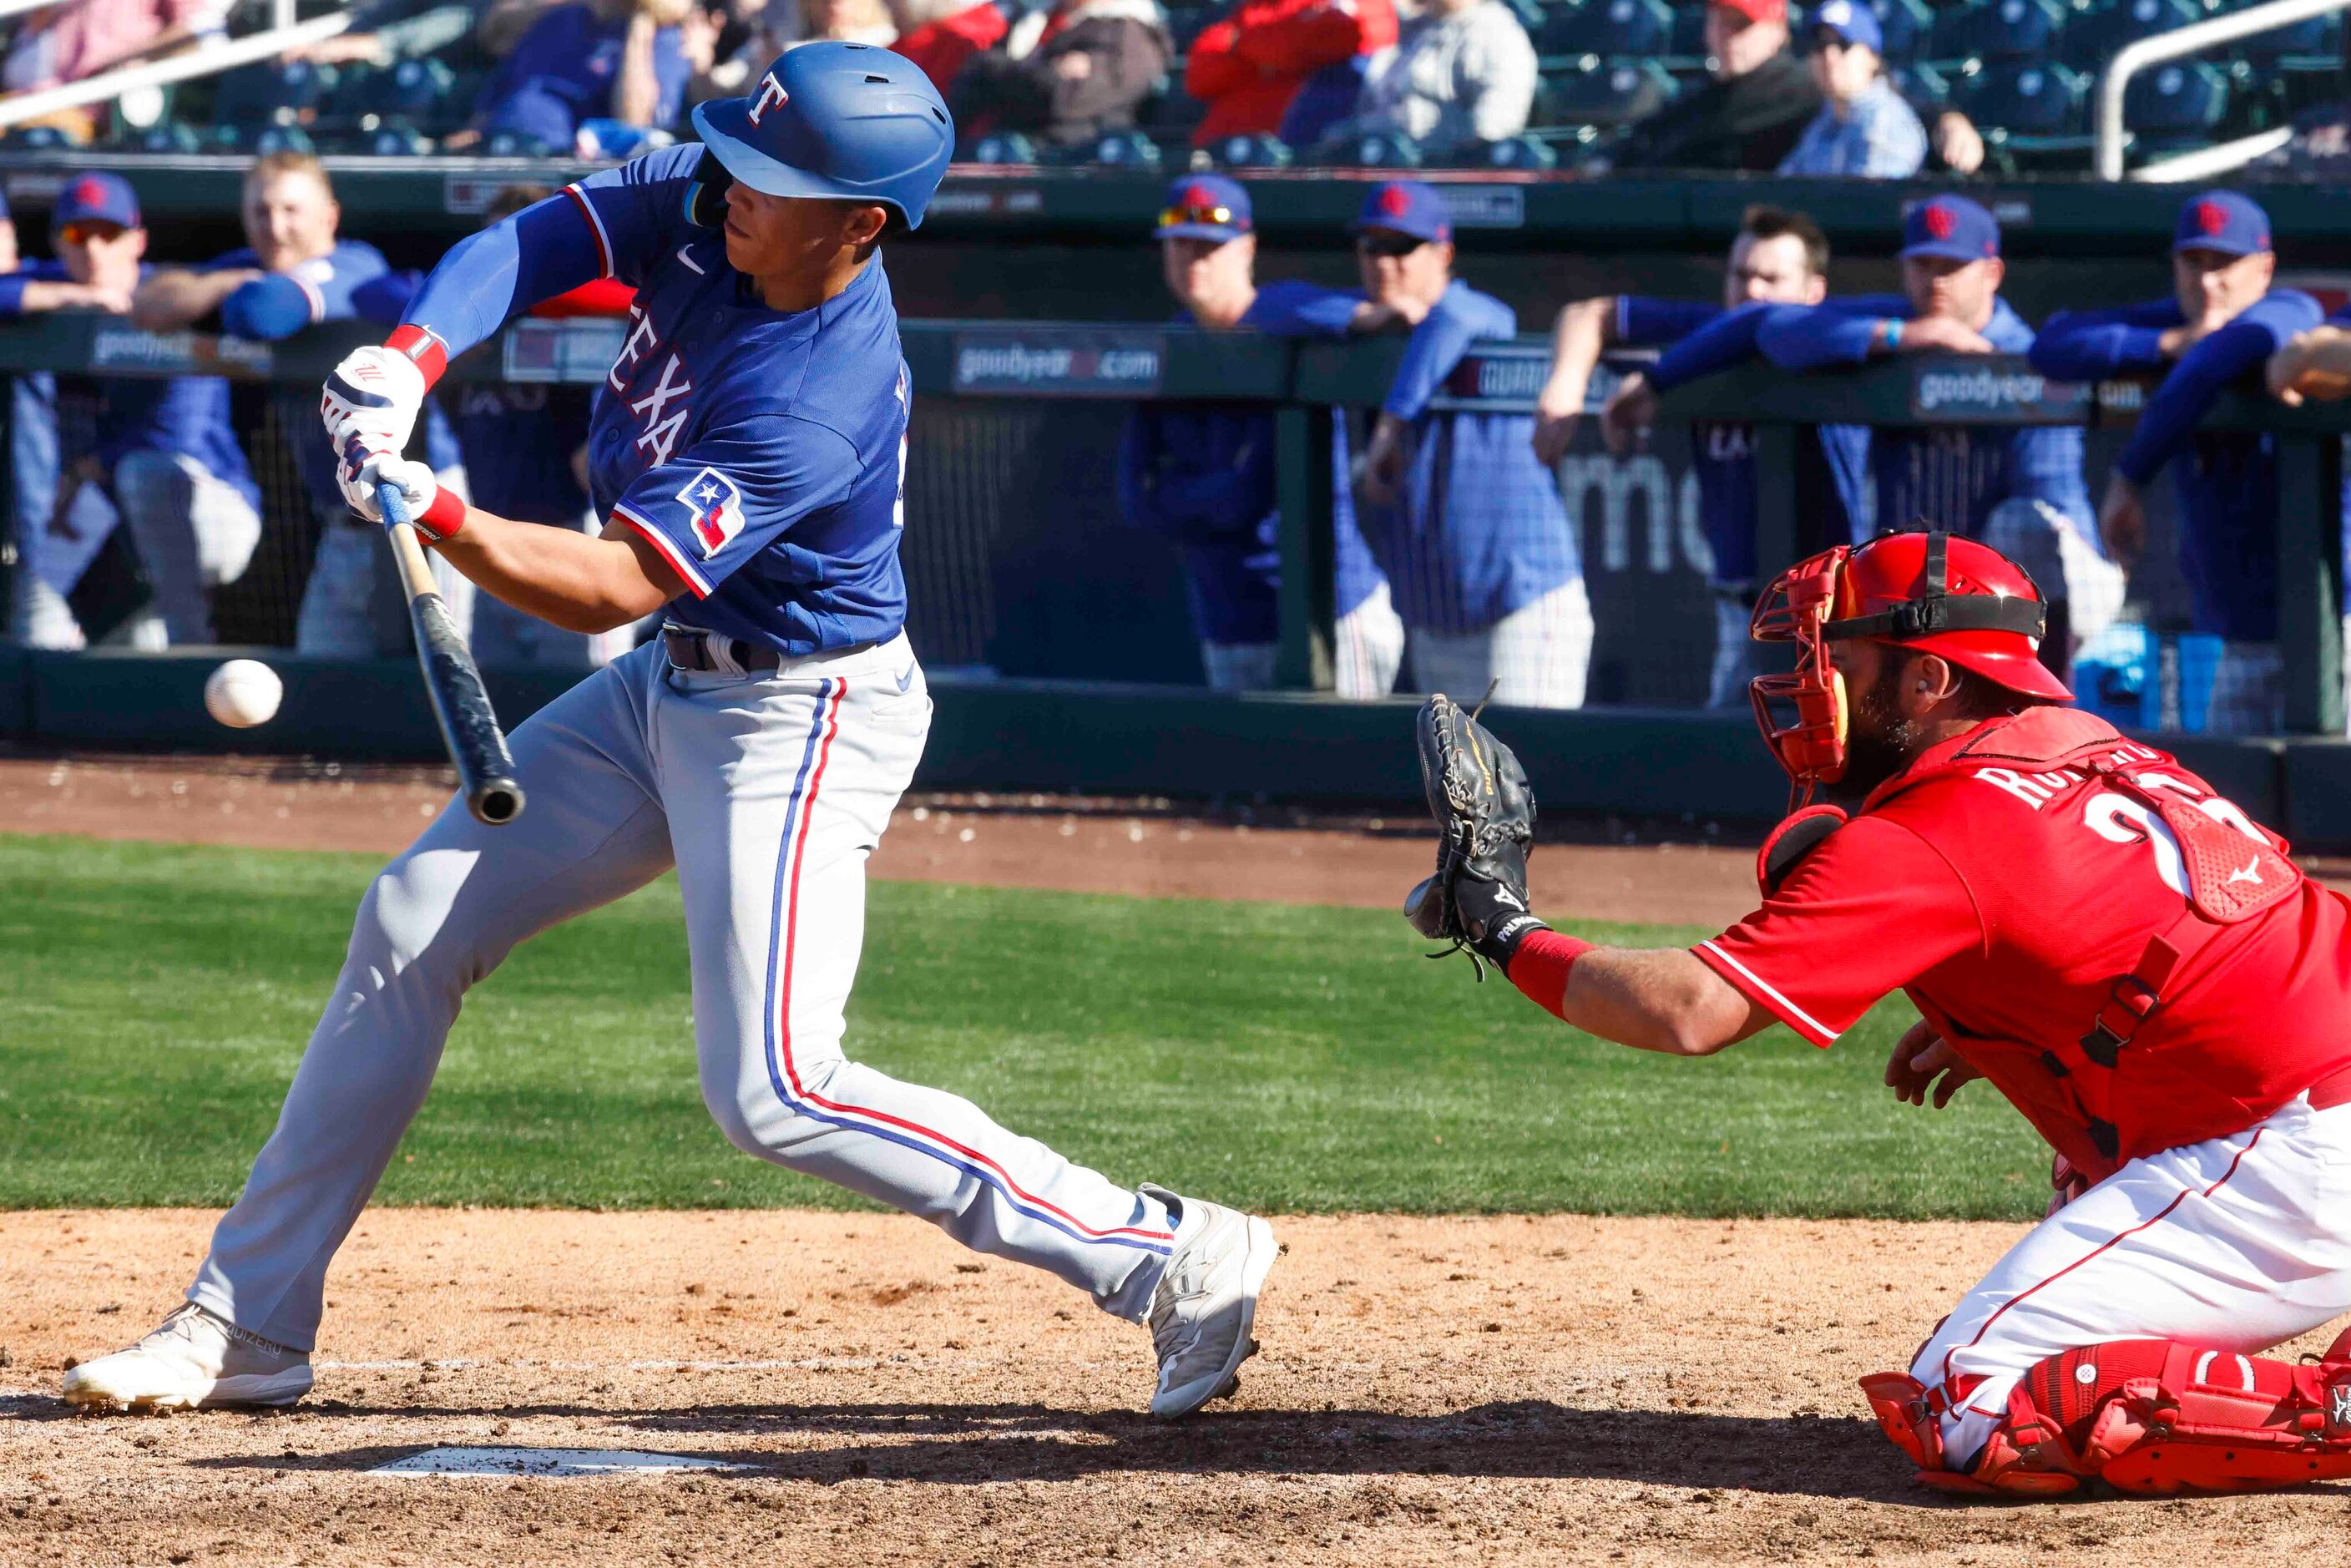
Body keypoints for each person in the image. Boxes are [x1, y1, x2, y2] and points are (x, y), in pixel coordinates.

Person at [61, 43, 1276, 1424]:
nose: (730, 184)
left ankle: (1167, 1251)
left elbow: (614, 580)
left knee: (775, 1087)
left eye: (774, 176)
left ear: (860, 222)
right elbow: (536, 239)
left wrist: (439, 511)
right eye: (737, 158)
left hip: (801, 716)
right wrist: (406, 361)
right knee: (409, 922)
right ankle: (249, 1321)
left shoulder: (814, 391)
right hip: (668, 690)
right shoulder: (720, 201)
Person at [1411, 527, 2351, 1498]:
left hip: (2296, 1154)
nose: (1810, 691)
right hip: (2312, 1098)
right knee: (2080, 1146)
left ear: (1928, 683)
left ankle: (2336, 1410)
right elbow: (2210, 928)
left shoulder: (1933, 827)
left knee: (1971, 1404)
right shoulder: (2112, 757)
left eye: (1840, 662)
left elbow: (1689, 1011)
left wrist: (1502, 924)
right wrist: (2013, 1017)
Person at [1656, 195, 2119, 667]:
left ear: (1991, 273)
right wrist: (1901, 336)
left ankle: (2046, 704)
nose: (1935, 279)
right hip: (1940, 582)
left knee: (2021, 526)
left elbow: (2045, 509)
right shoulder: (1903, 322)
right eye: (1922, 264)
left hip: (2061, 587)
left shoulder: (2025, 356)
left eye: (1952, 265)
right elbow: (1769, 324)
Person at [1534, 205, 1867, 708]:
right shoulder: (1709, 334)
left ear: (1813, 292)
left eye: (1772, 278)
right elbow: (1586, 314)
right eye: (1741, 275)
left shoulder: (1828, 338)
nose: (1752, 290)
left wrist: (1655, 378)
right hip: (1741, 612)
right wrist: (1565, 388)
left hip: (1830, 612)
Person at [2038, 192, 2323, 736]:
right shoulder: (2179, 324)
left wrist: (2128, 478)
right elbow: (2053, 345)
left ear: (2263, 269)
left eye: (2225, 263)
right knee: (2237, 808)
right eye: (2195, 261)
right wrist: (2168, 341)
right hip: (2240, 635)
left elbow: (2220, 356)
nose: (2208, 280)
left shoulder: (2292, 312)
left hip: (2331, 628)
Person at [1117, 175, 1405, 696]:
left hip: (1330, 616)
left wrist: (1192, 498)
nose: (1193, 260)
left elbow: (1382, 318)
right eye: (1181, 244)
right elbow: (1139, 500)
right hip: (1226, 617)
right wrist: (1218, 495)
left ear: (1246, 249)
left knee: (1342, 774)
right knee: (1245, 775)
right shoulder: (1171, 345)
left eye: (1209, 247)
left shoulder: (1290, 314)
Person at [134, 153, 394, 654]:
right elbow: (150, 305)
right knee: (323, 682)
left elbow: (264, 312)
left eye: (291, 211)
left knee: (443, 688)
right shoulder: (254, 269)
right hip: (344, 525)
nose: (274, 228)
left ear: (329, 217)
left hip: (423, 511)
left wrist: (223, 290)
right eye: (260, 212)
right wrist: (230, 279)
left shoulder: (356, 266)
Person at [0, 175, 258, 652]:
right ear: (59, 242)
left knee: (146, 473)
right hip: (93, 517)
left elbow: (170, 437)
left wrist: (81, 473)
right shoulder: (55, 287)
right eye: (78, 236)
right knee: (44, 637)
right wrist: (58, 299)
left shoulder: (171, 296)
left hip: (209, 509)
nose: (94, 250)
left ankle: (191, 646)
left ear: (137, 241)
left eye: (109, 234)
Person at [1352, 181, 1585, 707]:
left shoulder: (1478, 318)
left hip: (1522, 598)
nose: (1385, 263)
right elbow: (1289, 308)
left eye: (1402, 247)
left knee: (1522, 775)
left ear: (1443, 253)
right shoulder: (1367, 330)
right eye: (1372, 247)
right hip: (1436, 610)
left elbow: (1462, 317)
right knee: (1455, 785)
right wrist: (1356, 317)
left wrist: (1388, 429)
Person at [1599, 0, 1818, 173]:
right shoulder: (1700, 99)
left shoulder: (1803, 90)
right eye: (1720, 23)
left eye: (1742, 25)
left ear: (1777, 32)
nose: (1729, 37)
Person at [456, 0, 694, 154]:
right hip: (495, 147)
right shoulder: (560, 18)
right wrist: (473, 132)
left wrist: (641, 25)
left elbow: (634, 124)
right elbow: (498, 48)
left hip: (558, 157)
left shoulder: (663, 37)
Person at [948, 0, 1172, 149]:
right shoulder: (1030, 19)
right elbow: (972, 76)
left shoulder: (1131, 33)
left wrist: (1000, 74)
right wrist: (1048, 71)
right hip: (991, 160)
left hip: (1075, 171)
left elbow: (1063, 98)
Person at [1319, 0, 1534, 154]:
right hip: (1375, 165)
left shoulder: (1497, 34)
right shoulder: (1411, 32)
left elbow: (1492, 130)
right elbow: (1369, 110)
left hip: (1437, 180)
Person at [1183, 0, 1398, 149]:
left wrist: (1240, 43)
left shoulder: (1357, 6)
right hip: (1220, 151)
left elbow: (1347, 35)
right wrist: (1273, 49)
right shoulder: (1255, 7)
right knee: (1183, 210)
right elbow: (1199, 76)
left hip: (1296, 156)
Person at [1777, 0, 1924, 179]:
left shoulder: (1884, 121)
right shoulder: (1824, 121)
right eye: (1820, 46)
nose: (1829, 57)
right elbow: (1785, 186)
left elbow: (1867, 203)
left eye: (1844, 44)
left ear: (1872, 57)